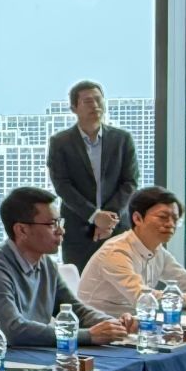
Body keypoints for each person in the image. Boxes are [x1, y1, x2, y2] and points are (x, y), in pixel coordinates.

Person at [0, 187, 132, 360]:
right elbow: (14, 330)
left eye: (60, 222)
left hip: (32, 360)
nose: (61, 231)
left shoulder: (46, 264)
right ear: (22, 230)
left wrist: (114, 325)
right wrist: (88, 336)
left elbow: (76, 310)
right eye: (52, 224)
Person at [78, 186, 186, 315]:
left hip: (136, 323)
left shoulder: (157, 250)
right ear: (137, 219)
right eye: (163, 217)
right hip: (101, 328)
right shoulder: (116, 253)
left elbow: (184, 280)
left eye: (175, 219)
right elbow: (145, 299)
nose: (170, 224)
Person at [47, 80, 139, 272]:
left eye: (99, 100)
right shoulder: (60, 142)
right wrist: (95, 216)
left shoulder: (122, 139)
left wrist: (108, 220)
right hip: (78, 230)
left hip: (117, 229)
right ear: (74, 108)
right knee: (79, 283)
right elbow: (62, 185)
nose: (95, 105)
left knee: (121, 281)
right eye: (88, 101)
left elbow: (130, 182)